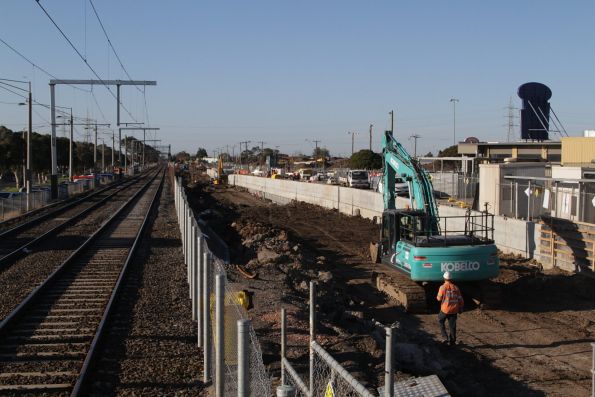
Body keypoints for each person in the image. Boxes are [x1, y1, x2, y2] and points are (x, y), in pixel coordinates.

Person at [437, 271, 464, 346]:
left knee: (440, 320)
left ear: (444, 278)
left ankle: (445, 337)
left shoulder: (442, 287)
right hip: (454, 310)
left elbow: (439, 299)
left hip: (445, 310)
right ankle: (452, 341)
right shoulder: (456, 287)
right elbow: (460, 299)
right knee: (452, 326)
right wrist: (461, 307)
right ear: (451, 279)